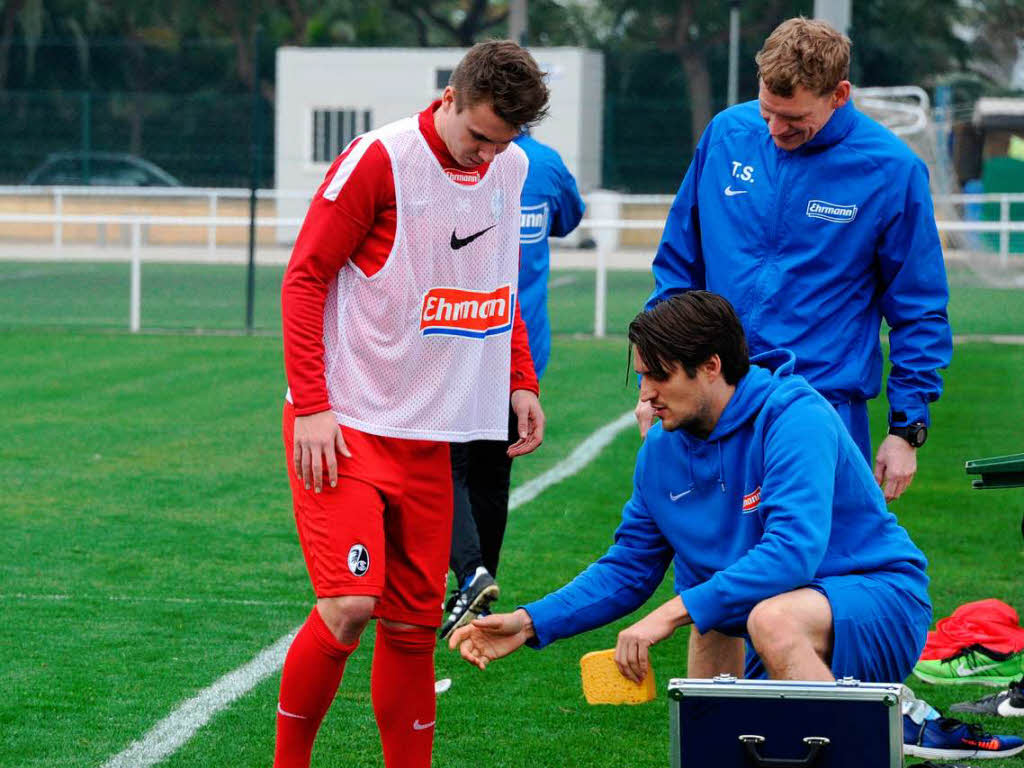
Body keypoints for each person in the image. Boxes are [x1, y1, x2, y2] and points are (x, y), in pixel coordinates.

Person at [276, 40, 549, 768]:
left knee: (409, 624)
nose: (486, 157)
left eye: (505, 142)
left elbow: (499, 282)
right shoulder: (379, 159)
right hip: (348, 425)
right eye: (479, 137)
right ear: (449, 99)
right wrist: (311, 405)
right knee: (349, 606)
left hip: (434, 433)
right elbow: (305, 278)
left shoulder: (510, 167)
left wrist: (519, 377)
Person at [452, 291, 933, 685]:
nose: (645, 394)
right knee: (712, 612)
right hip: (772, 611)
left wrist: (668, 616)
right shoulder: (661, 450)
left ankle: (852, 742)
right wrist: (530, 621)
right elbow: (629, 568)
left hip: (873, 598)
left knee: (749, 615)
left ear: (710, 366)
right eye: (641, 376)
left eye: (658, 375)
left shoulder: (794, 417)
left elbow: (792, 553)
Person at [638, 17, 952, 503]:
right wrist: (656, 375)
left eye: (794, 120)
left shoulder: (891, 171)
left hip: (820, 407)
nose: (775, 129)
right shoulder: (726, 135)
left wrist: (906, 428)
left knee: (810, 567)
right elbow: (679, 267)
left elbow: (919, 309)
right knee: (709, 565)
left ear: (839, 94)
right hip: (713, 396)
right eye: (767, 112)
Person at [441, 131, 585, 639]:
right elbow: (570, 218)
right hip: (520, 347)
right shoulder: (547, 163)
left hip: (470, 337)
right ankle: (477, 593)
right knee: (492, 471)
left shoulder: (464, 161)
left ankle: (466, 576)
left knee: (447, 467)